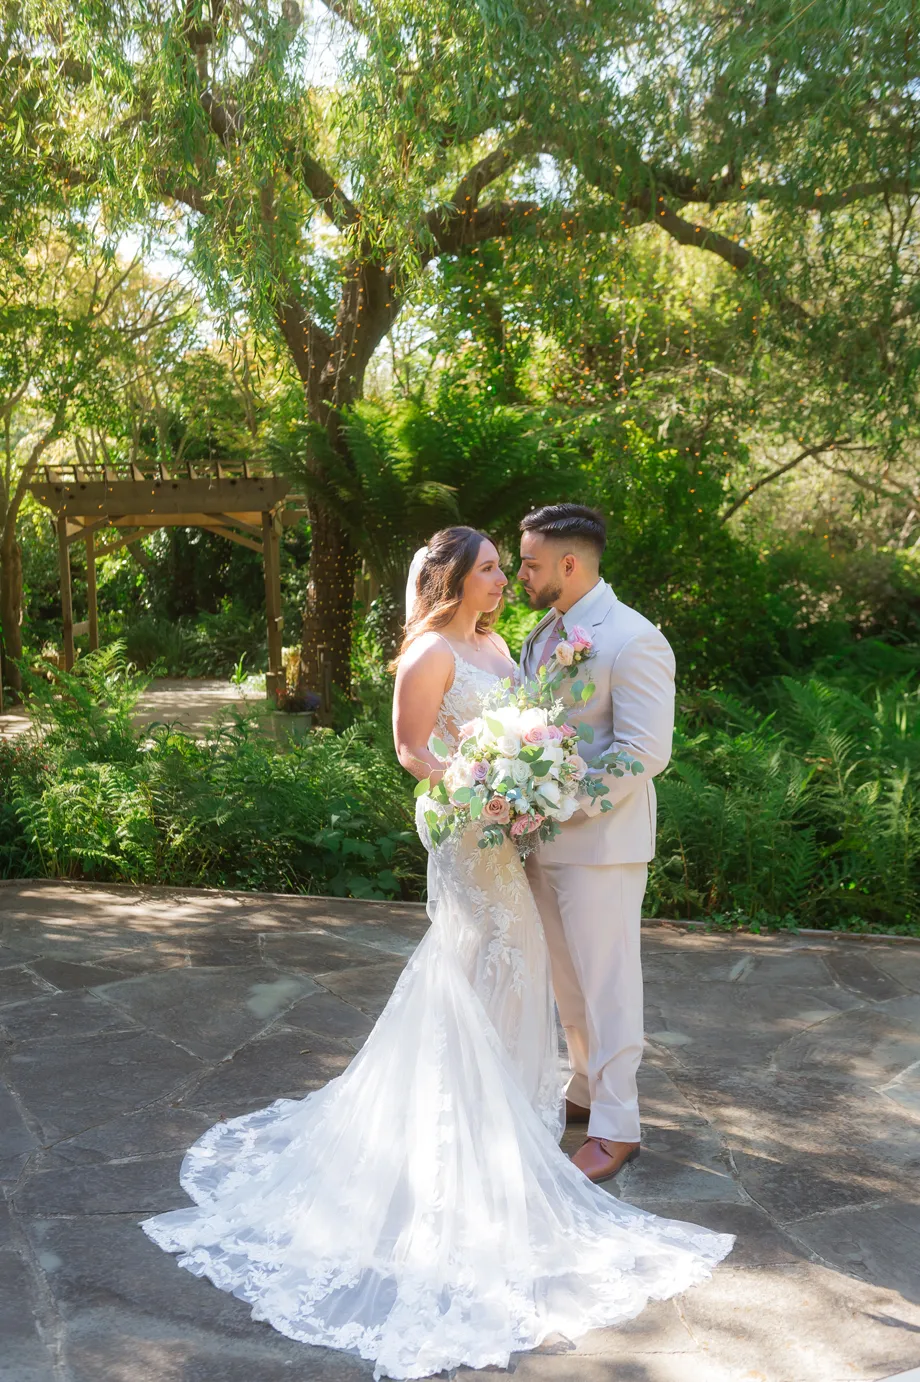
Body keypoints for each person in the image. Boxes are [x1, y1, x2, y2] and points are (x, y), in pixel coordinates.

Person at [140, 525, 731, 1381]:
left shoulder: (508, 644)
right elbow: (413, 749)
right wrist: (473, 784)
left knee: (523, 969)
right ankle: (484, 1120)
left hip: (522, 832)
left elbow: (593, 738)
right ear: (453, 579)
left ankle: (525, 1109)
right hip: (471, 831)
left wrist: (525, 785)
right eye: (493, 567)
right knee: (491, 964)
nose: (507, 578)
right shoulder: (431, 653)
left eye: (512, 565)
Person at [519, 503, 676, 1184]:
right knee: (569, 983)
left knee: (609, 986)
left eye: (529, 564)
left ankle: (618, 1126)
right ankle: (584, 1086)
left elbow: (644, 750)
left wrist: (562, 802)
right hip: (541, 841)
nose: (521, 576)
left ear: (569, 563)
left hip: (603, 844)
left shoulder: (633, 639)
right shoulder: (542, 633)